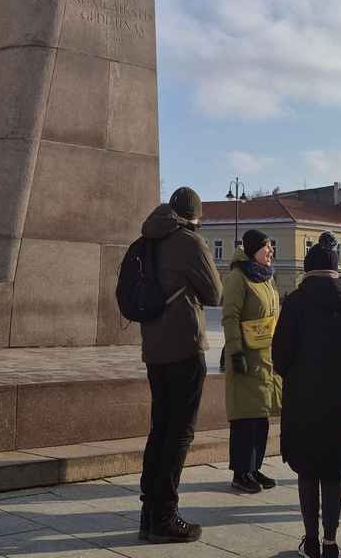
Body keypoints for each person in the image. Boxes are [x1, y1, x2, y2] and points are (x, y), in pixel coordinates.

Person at [136, 186, 222, 544]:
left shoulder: (147, 239)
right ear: (195, 215)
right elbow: (214, 293)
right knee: (180, 432)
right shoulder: (189, 241)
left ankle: (148, 513)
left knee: (160, 429)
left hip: (153, 347)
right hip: (184, 347)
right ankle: (165, 517)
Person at [273, 234, 341, 558]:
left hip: (302, 398)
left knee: (307, 470)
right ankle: (331, 541)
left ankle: (310, 540)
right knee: (334, 469)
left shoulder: (296, 301)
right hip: (338, 397)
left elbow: (279, 354)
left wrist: (295, 373)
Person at [221, 228, 282, 494]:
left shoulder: (266, 277)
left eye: (271, 247)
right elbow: (230, 317)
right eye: (265, 247)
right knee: (245, 418)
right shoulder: (238, 277)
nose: (270, 252)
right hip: (245, 356)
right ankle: (240, 472)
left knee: (260, 417)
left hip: (266, 357)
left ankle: (254, 467)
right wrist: (235, 353)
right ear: (252, 250)